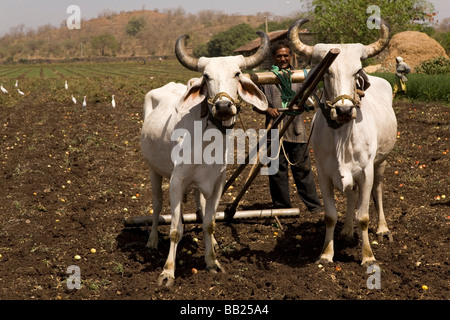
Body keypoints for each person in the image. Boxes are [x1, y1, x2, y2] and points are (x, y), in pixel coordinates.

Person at [255, 40, 323, 214]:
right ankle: (282, 208)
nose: (283, 58)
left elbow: (311, 98)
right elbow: (255, 103)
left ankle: (314, 206)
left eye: (286, 55)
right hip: (274, 130)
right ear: (273, 58)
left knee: (303, 170)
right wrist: (267, 109)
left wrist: (303, 104)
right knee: (276, 172)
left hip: (297, 130)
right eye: (279, 56)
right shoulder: (264, 78)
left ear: (291, 56)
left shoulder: (300, 76)